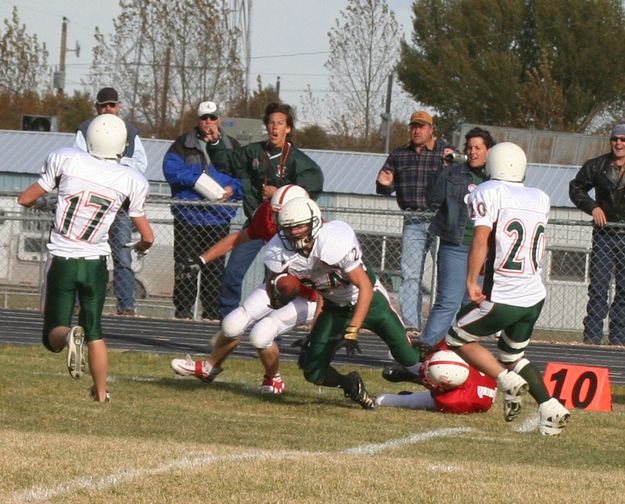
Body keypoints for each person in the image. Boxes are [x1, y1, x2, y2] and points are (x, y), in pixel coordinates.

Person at [17, 115, 154, 402]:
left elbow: (25, 199)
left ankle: (69, 337)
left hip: (63, 258)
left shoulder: (66, 159)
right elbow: (148, 236)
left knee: (52, 335)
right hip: (96, 263)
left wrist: (46, 203)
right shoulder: (131, 178)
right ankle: (102, 393)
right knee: (95, 331)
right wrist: (141, 244)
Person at [446, 142, 570, 436]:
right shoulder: (540, 197)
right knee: (512, 356)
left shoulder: (488, 191)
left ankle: (505, 380)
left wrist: (471, 281)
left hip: (504, 293)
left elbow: (480, 240)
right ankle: (550, 407)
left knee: (455, 338)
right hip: (534, 295)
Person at [263, 197, 425, 409]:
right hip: (334, 308)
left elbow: (365, 287)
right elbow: (277, 283)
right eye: (289, 227)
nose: (294, 232)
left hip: (370, 302)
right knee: (313, 371)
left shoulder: (333, 241)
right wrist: (277, 297)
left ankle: (438, 373)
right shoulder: (280, 250)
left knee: (409, 358)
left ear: (315, 222)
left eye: (299, 225)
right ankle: (349, 383)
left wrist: (353, 329)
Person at [170, 185, 316, 393]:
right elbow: (240, 238)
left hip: (313, 295)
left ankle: (273, 379)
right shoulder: (269, 216)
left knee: (261, 334)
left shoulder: (322, 236)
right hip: (279, 284)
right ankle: (209, 368)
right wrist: (202, 260)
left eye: (281, 215)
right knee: (232, 324)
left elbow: (332, 284)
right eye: (275, 214)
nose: (276, 220)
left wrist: (317, 331)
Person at [204, 102, 324, 320]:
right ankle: (227, 322)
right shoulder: (254, 152)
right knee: (232, 273)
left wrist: (277, 193)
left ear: (288, 129)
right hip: (257, 223)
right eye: (270, 123)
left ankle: (271, 328)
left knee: (276, 281)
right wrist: (215, 142)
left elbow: (310, 190)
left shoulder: (298, 160)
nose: (274, 128)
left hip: (283, 232)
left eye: (279, 123)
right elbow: (227, 163)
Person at [162, 100, 243, 320]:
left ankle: (211, 312)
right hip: (188, 215)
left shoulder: (232, 146)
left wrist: (231, 189)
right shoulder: (183, 143)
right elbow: (170, 170)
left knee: (214, 269)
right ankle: (183, 311)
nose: (208, 122)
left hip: (218, 218)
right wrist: (196, 180)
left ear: (220, 119)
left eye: (213, 117)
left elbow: (244, 179)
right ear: (198, 121)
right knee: (185, 265)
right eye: (204, 118)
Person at [74, 87, 148, 316]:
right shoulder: (85, 130)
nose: (108, 109)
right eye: (104, 105)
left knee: (122, 256)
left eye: (112, 105)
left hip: (121, 206)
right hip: (93, 203)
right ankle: (79, 302)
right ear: (97, 107)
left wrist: (115, 167)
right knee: (84, 253)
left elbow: (141, 165)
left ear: (119, 107)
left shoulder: (130, 132)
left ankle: (126, 306)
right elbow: (78, 160)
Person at [419, 127, 495, 346]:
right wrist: (442, 169)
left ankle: (458, 351)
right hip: (456, 245)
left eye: (478, 148)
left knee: (471, 303)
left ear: (488, 151)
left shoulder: (496, 179)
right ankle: (426, 348)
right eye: (469, 148)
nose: (473, 152)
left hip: (484, 251)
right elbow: (432, 199)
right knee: (448, 301)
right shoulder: (454, 172)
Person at [375, 111, 449, 333]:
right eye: (414, 126)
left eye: (422, 126)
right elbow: (383, 186)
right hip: (413, 219)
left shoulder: (444, 152)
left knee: (445, 274)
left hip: (441, 218)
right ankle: (411, 327)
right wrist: (385, 184)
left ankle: (443, 329)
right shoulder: (399, 155)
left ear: (431, 129)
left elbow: (459, 180)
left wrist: (449, 164)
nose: (417, 130)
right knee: (410, 276)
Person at [569, 124, 625, 346]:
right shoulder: (597, 165)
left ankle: (619, 340)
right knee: (599, 288)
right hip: (605, 235)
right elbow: (576, 188)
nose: (619, 143)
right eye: (615, 139)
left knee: (624, 290)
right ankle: (592, 338)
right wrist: (592, 206)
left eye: (623, 139)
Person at [376, 343, 497, 413]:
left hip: (462, 395)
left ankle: (410, 380)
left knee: (383, 400)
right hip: (469, 384)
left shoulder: (454, 400)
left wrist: (435, 390)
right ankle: (410, 373)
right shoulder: (469, 365)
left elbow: (440, 398)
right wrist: (435, 350)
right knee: (432, 370)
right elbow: (450, 342)